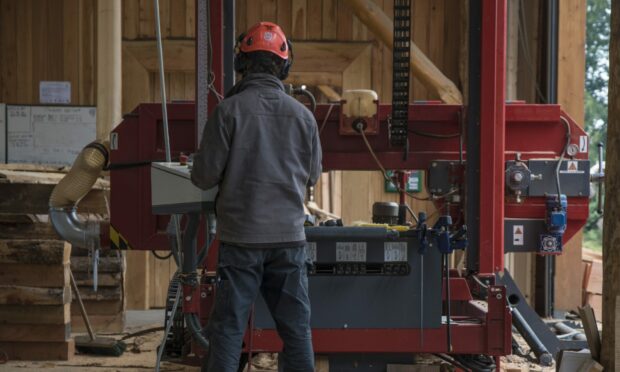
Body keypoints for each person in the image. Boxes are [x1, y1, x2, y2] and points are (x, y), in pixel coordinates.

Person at [191, 21, 321, 372]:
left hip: (241, 240)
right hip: (289, 241)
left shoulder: (228, 112)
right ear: (284, 66)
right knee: (296, 332)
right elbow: (313, 177)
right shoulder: (304, 117)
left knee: (229, 330)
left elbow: (203, 178)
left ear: (241, 65)